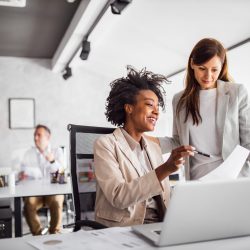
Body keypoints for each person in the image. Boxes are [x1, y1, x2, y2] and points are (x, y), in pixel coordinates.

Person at [94, 66, 194, 227]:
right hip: (126, 227)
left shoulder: (153, 147)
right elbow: (119, 197)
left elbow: (162, 196)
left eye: (157, 107)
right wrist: (166, 168)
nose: (156, 112)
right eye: (149, 105)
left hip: (160, 224)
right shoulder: (106, 145)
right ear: (129, 108)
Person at [156, 38, 250, 180]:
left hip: (233, 179)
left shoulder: (237, 93)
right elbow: (178, 141)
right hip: (197, 180)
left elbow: (248, 141)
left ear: (222, 66)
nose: (208, 76)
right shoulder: (179, 100)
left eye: (214, 70)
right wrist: (144, 141)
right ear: (192, 63)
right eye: (202, 68)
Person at [19, 124, 65, 235]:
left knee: (57, 200)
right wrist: (34, 173)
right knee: (28, 203)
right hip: (35, 193)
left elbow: (62, 172)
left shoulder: (57, 151)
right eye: (35, 135)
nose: (35, 138)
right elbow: (23, 172)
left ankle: (55, 233)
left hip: (53, 192)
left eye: (39, 135)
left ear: (48, 137)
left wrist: (53, 161)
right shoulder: (28, 153)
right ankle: (37, 234)